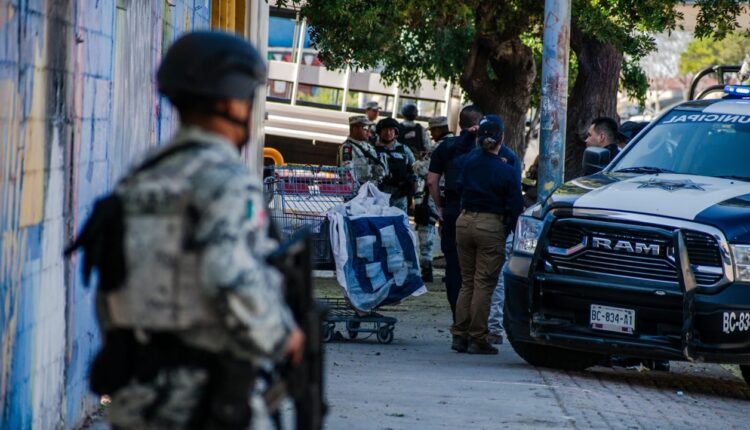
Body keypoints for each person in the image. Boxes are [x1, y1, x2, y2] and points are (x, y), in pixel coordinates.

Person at [84, 31, 304, 430]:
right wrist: (281, 336)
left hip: (137, 398)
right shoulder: (226, 180)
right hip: (210, 402)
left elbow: (109, 286)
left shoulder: (138, 180)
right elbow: (228, 274)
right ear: (229, 102)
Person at [450, 115, 523, 355]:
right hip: (491, 225)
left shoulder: (469, 162)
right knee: (484, 283)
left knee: (467, 281)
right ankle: (477, 337)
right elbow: (516, 206)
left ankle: (459, 334)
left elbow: (458, 186)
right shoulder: (507, 169)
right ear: (502, 138)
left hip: (464, 221)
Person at [427, 105, 483, 320]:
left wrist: (440, 206)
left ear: (459, 125)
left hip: (452, 210)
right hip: (480, 212)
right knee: (479, 270)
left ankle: (458, 319)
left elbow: (432, 181)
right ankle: (476, 322)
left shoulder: (446, 147)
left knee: (454, 267)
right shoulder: (487, 147)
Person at [413, 116, 453, 282]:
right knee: (450, 233)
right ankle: (451, 270)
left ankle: (426, 267)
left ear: (437, 130)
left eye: (432, 131)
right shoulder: (459, 144)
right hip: (454, 194)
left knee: (426, 229)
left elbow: (423, 170)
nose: (431, 135)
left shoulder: (438, 147)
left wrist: (417, 162)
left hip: (435, 194)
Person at [375, 117, 417, 212]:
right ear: (379, 132)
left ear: (396, 132)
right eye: (385, 129)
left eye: (391, 130)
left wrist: (416, 196)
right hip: (378, 196)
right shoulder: (372, 149)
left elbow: (414, 172)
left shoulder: (404, 150)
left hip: (400, 197)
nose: (388, 133)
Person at [338, 115, 386, 186]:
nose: (369, 131)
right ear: (354, 129)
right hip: (357, 192)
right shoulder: (347, 147)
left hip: (371, 189)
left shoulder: (368, 146)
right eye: (365, 127)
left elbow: (378, 168)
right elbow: (347, 173)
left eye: (369, 127)